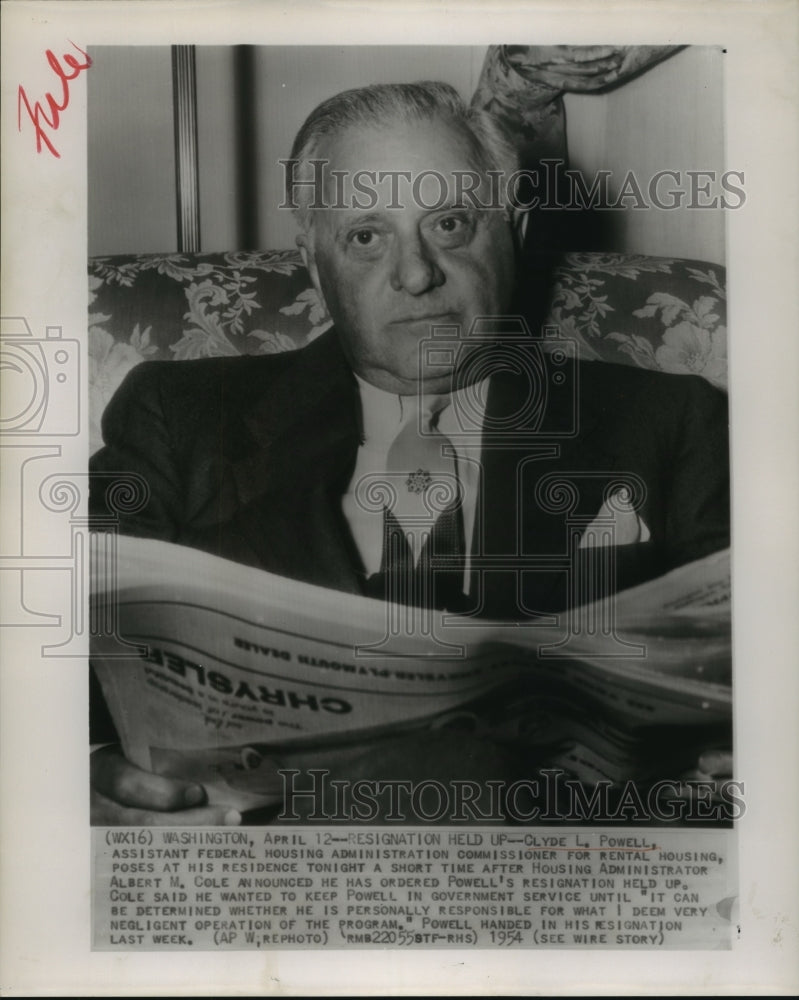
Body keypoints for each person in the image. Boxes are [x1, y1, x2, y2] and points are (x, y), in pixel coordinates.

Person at [89, 82, 729, 825]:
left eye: (451, 224)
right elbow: (58, 643)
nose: (417, 273)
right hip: (266, 867)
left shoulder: (667, 422)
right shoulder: (181, 415)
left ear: (514, 229)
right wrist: (95, 771)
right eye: (365, 236)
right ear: (313, 260)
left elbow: (765, 648)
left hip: (561, 864)